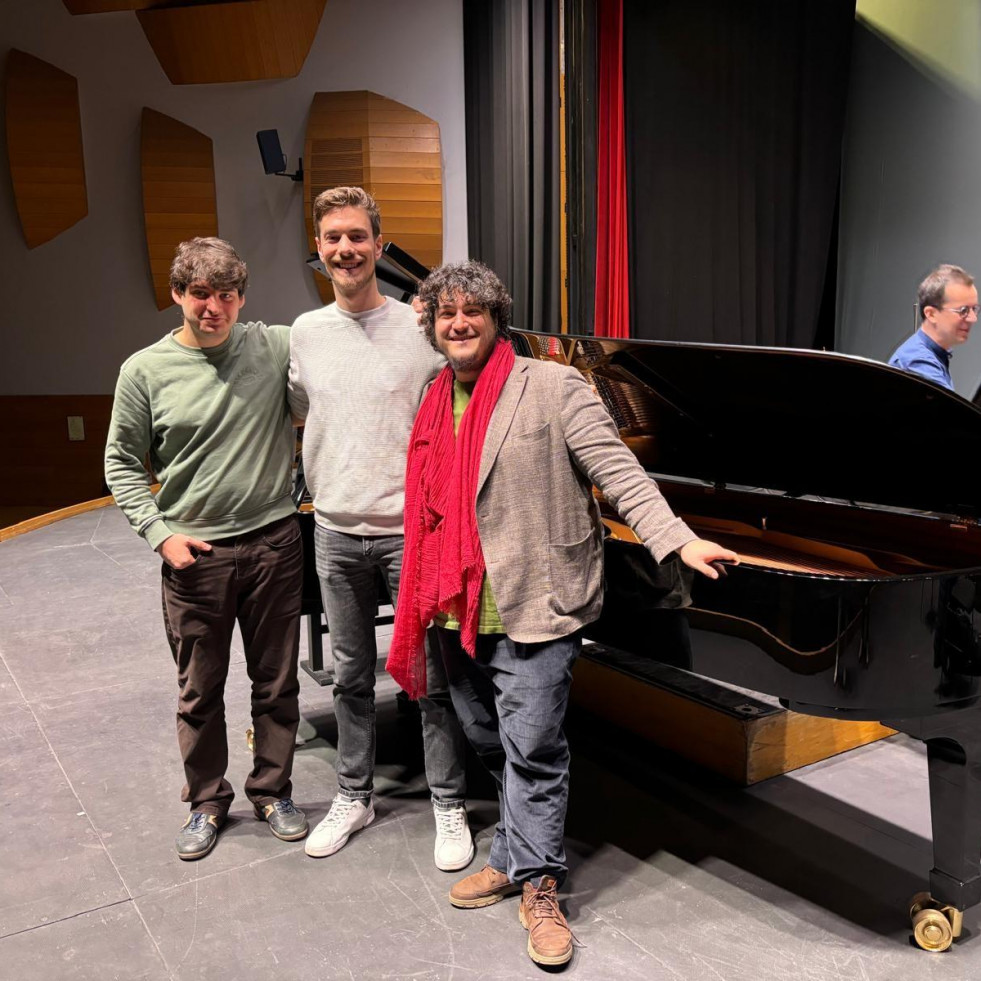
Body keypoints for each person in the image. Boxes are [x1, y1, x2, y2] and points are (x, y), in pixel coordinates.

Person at [387, 260, 738, 968]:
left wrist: (675, 536)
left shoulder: (551, 384)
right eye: (444, 313)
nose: (457, 322)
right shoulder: (432, 395)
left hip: (537, 601)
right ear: (429, 325)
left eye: (471, 310)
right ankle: (514, 851)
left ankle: (541, 884)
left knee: (535, 749)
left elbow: (618, 472)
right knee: (488, 735)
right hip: (453, 606)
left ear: (495, 317)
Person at [288, 186, 472, 870]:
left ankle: (448, 802)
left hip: (410, 533)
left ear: (376, 241)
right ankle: (353, 793)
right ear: (320, 246)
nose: (345, 249)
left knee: (428, 677)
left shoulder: (419, 327)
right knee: (349, 675)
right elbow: (303, 409)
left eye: (357, 236)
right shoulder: (304, 332)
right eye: (333, 237)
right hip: (334, 531)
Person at [105, 237, 307, 860]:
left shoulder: (272, 344)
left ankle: (272, 791)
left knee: (276, 684)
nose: (212, 308)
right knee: (200, 691)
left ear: (241, 297)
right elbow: (119, 462)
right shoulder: (144, 370)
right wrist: (160, 535)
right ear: (177, 296)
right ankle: (207, 802)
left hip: (275, 543)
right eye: (199, 294)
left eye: (225, 295)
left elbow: (345, 333)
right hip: (198, 555)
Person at [888, 263, 978, 391]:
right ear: (931, 314)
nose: (973, 318)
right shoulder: (917, 361)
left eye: (974, 309)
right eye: (963, 310)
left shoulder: (934, 355)